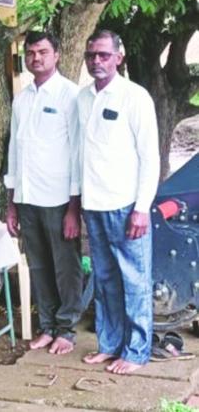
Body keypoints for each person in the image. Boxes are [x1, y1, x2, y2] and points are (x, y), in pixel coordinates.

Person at [79, 29, 160, 375]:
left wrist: (142, 207)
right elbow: (80, 154)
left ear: (118, 57)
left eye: (103, 55)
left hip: (126, 206)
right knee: (106, 279)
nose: (96, 61)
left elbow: (150, 157)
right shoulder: (83, 98)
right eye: (91, 55)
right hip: (93, 205)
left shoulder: (134, 97)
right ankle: (109, 345)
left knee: (135, 281)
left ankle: (137, 352)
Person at [4, 29, 83, 355]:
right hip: (27, 197)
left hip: (58, 199)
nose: (36, 58)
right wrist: (11, 204)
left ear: (57, 55)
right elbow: (14, 151)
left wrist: (74, 208)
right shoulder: (22, 98)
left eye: (43, 52)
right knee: (38, 266)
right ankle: (48, 326)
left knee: (65, 266)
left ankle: (67, 329)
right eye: (31, 53)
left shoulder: (70, 95)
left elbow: (77, 153)